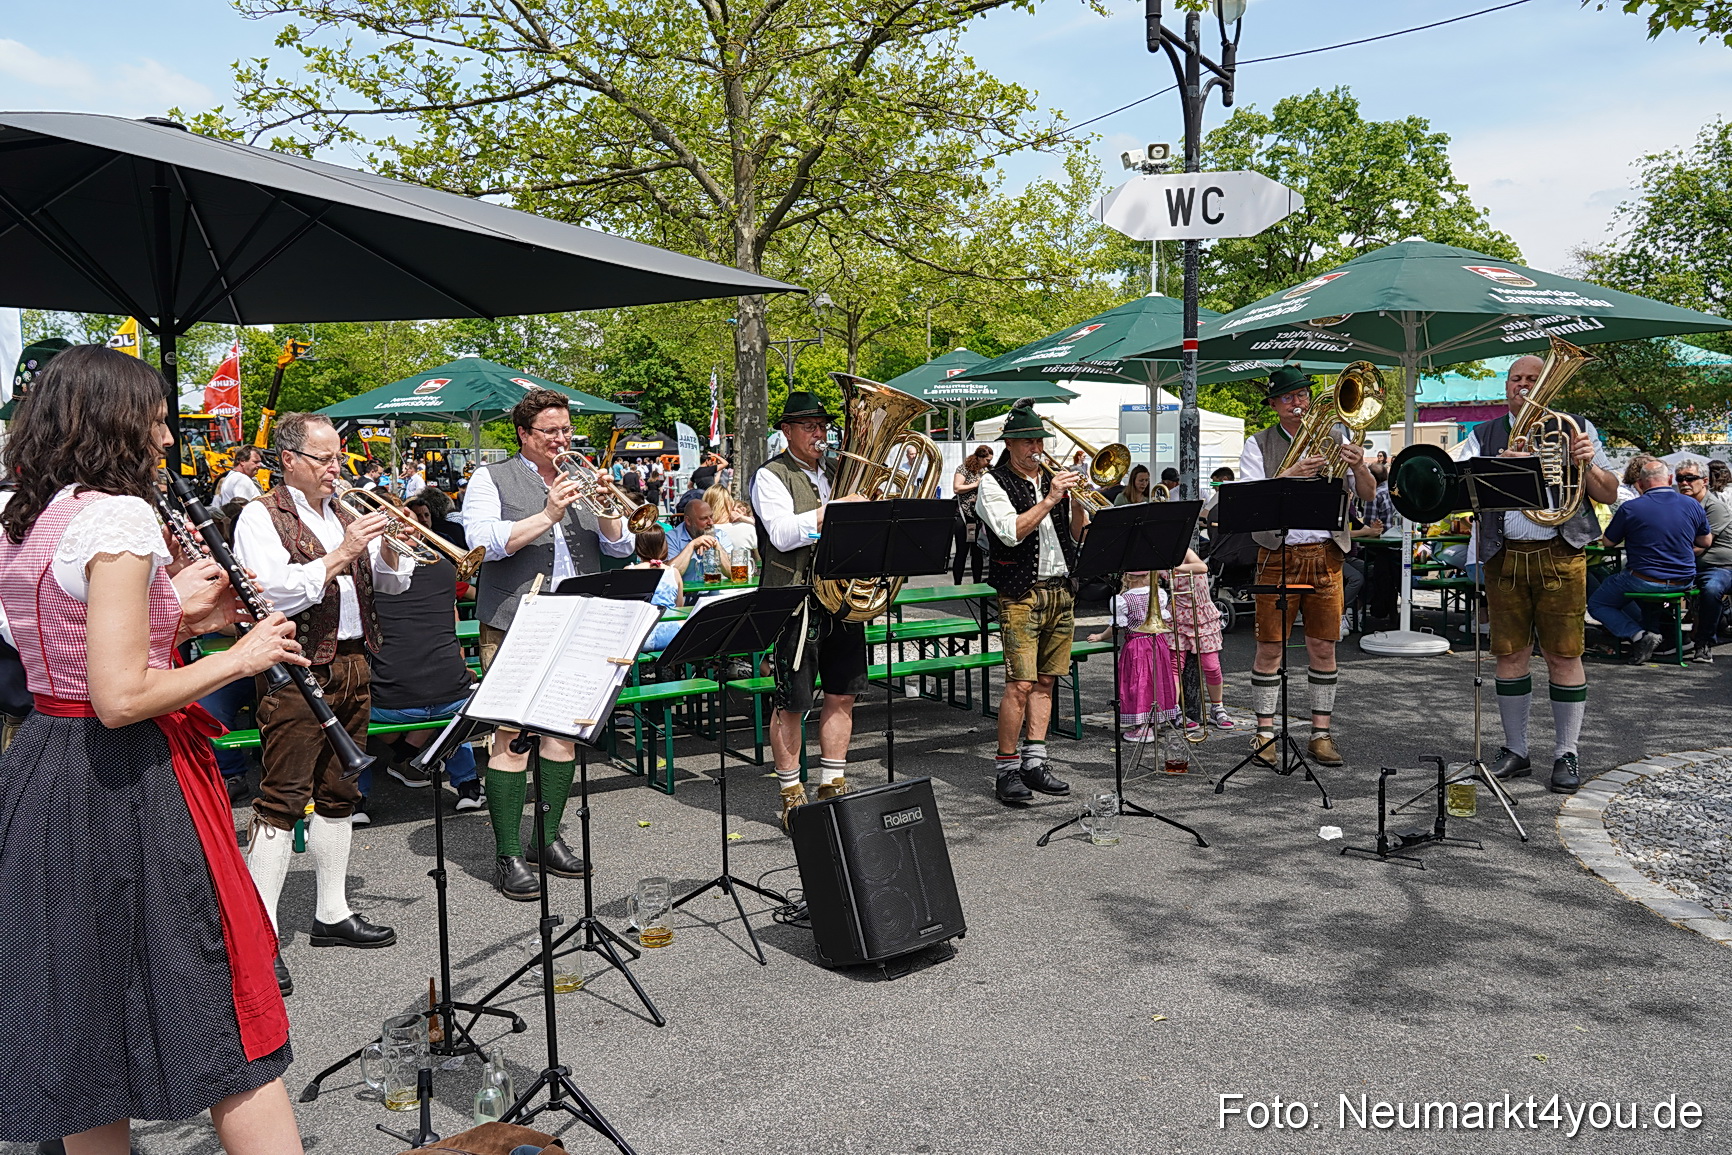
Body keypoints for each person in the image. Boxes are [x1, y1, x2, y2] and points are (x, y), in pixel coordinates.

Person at [0, 345, 307, 1153]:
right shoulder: (119, 516)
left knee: (82, 1020)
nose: (167, 436)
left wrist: (182, 616)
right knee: (214, 999)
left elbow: (68, 647)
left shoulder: (25, 515)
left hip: (44, 767)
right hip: (128, 775)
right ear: (111, 418)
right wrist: (239, 656)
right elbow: (120, 694)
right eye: (157, 417)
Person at [233, 412, 414, 980]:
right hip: (295, 663)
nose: (339, 467)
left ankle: (331, 911)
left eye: (338, 456)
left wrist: (388, 549)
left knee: (341, 790)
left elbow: (391, 583)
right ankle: (261, 938)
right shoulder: (260, 517)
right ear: (289, 460)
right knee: (282, 797)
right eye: (325, 458)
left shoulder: (344, 512)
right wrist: (339, 554)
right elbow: (269, 591)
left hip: (356, 660)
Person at [462, 389, 635, 899]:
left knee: (562, 734)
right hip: (517, 619)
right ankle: (507, 854)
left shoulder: (581, 478)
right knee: (511, 736)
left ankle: (546, 836)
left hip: (580, 619)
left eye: (566, 431)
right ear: (523, 434)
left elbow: (621, 545)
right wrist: (548, 513)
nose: (562, 441)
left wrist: (605, 505)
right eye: (551, 433)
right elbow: (484, 541)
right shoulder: (488, 477)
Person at [1457, 353, 1619, 794]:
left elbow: (1608, 492)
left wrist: (1586, 462)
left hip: (1562, 551)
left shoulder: (1575, 427)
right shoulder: (1484, 434)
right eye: (1516, 379)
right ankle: (1516, 750)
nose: (1523, 386)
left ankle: (1566, 752)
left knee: (1565, 654)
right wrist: (1501, 468)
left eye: (1533, 378)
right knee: (1509, 654)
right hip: (1504, 553)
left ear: (1548, 383)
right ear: (1505, 386)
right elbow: (1463, 494)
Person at [1236, 366, 1375, 769]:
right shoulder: (1257, 443)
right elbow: (1251, 505)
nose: (1297, 404)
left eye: (1302, 395)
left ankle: (1321, 734)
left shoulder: (1337, 436)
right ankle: (1263, 732)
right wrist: (1291, 474)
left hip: (1327, 554)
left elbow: (1367, 493)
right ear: (1275, 405)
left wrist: (1360, 466)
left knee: (1323, 646)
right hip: (1277, 556)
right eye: (1288, 398)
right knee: (1269, 647)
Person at [750, 390, 869, 828]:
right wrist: (835, 510)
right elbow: (782, 534)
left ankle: (833, 783)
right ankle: (791, 792)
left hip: (844, 597)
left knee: (844, 693)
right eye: (809, 427)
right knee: (791, 702)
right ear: (787, 431)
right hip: (795, 599)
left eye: (822, 426)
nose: (819, 434)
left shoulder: (840, 471)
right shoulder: (770, 475)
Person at [976, 401, 1090, 804]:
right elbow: (1010, 532)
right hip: (1021, 593)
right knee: (1020, 684)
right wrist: (1049, 499)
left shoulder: (1051, 478)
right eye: (1027, 441)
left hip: (1061, 588)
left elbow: (1077, 535)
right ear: (1009, 444)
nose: (1035, 448)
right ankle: (1006, 768)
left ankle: (1035, 761)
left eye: (1039, 439)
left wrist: (1077, 500)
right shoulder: (993, 483)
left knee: (1046, 681)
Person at [360, 496, 485, 815]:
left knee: (350, 708)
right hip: (452, 693)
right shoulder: (444, 565)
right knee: (457, 698)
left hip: (392, 702)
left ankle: (358, 795)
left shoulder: (362, 576)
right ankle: (467, 783)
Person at [1589, 457, 1710, 663]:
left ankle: (1639, 635)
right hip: (1684, 580)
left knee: (1598, 602)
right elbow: (1705, 541)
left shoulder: (1631, 508)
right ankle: (1656, 635)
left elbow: (1608, 542)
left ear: (1641, 484)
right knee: (1621, 588)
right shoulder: (1692, 505)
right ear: (1670, 478)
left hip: (1644, 579)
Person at [1084, 572, 1174, 742]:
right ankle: (1154, 721)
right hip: (1157, 643)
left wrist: (1101, 637)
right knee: (1156, 681)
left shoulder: (1122, 600)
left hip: (1137, 645)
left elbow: (1116, 626)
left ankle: (1141, 728)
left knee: (1137, 683)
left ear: (1126, 578)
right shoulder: (1158, 594)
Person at [1674, 458, 1732, 663]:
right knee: (1642, 579)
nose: (1684, 483)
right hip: (1688, 565)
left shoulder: (1714, 507)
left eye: (1690, 478)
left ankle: (1704, 643)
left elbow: (1700, 546)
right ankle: (1660, 638)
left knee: (1711, 589)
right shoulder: (1679, 504)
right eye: (1680, 478)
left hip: (1719, 566)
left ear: (1705, 481)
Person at [1168, 549, 1233, 730]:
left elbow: (1201, 567)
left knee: (1211, 665)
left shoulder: (1184, 552)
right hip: (1178, 616)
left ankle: (1217, 708)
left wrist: (1176, 567)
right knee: (1175, 667)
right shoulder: (1156, 558)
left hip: (1202, 616)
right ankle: (1175, 711)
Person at [951, 445, 993, 584]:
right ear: (979, 458)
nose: (988, 463)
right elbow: (957, 488)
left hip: (978, 516)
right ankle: (957, 583)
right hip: (964, 514)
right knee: (962, 551)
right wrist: (976, 484)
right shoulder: (964, 469)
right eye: (986, 460)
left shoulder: (986, 471)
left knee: (978, 552)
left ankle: (977, 582)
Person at [703, 484, 758, 572]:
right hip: (743, 583)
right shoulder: (747, 528)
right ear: (729, 503)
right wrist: (744, 518)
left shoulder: (703, 532)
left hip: (712, 582)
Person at [664, 498, 717, 583]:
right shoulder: (671, 538)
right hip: (684, 595)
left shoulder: (720, 535)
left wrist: (716, 545)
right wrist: (692, 545)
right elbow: (670, 575)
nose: (711, 522)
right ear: (688, 521)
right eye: (704, 518)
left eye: (711, 517)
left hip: (717, 595)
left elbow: (731, 572)